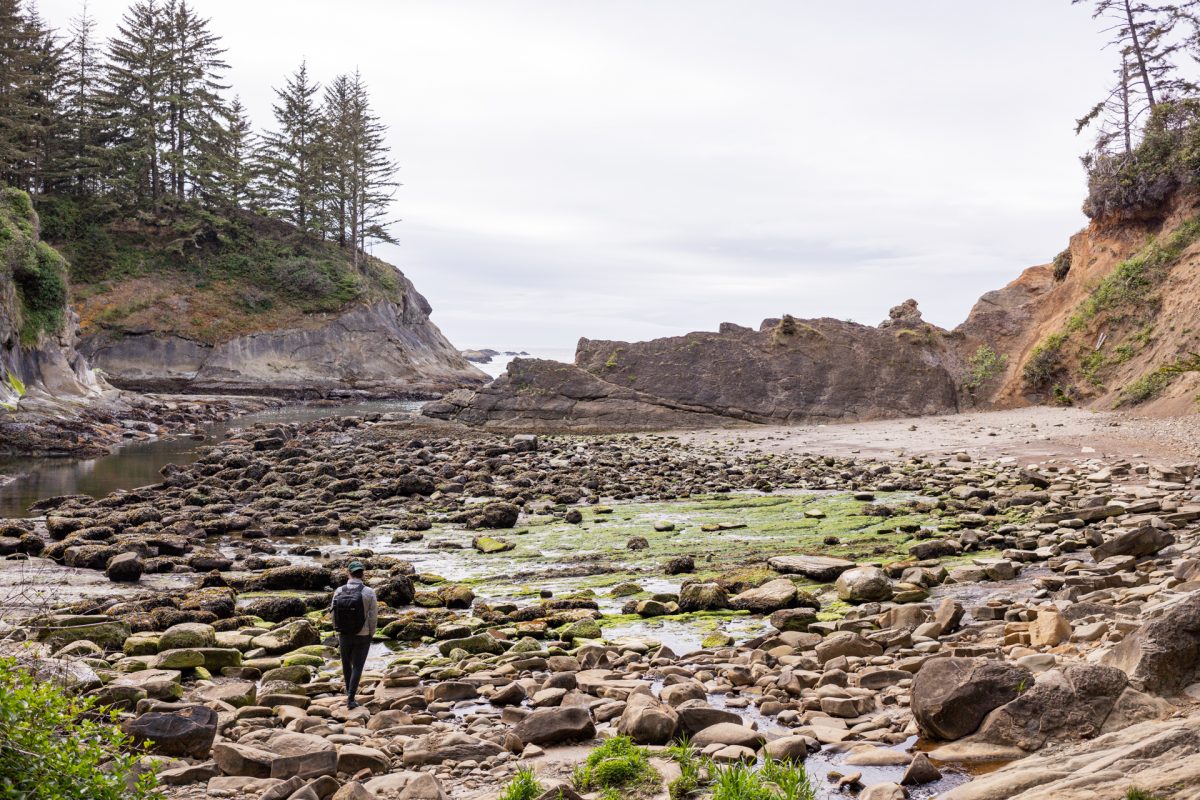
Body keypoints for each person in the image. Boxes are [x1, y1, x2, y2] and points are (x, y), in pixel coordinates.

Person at [330, 561, 377, 708]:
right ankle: (351, 698)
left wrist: (337, 629)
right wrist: (371, 633)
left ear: (348, 573)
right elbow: (373, 616)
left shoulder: (339, 591)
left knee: (346, 665)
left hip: (343, 633)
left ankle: (348, 693)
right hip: (363, 634)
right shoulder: (369, 592)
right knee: (357, 666)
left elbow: (333, 613)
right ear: (362, 574)